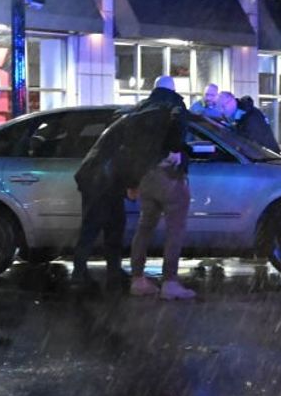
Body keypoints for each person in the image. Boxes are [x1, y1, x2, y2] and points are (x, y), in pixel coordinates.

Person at [128, 75, 196, 301]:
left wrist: (132, 181)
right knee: (175, 229)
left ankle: (138, 279)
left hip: (145, 175)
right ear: (173, 89)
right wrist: (176, 150)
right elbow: (178, 128)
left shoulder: (141, 108)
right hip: (167, 173)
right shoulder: (175, 104)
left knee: (144, 227)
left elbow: (131, 144)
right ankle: (170, 282)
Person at [69, 109, 130, 292]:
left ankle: (83, 272)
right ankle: (88, 274)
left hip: (96, 182)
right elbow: (124, 163)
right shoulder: (124, 135)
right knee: (108, 228)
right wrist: (131, 184)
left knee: (94, 229)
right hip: (102, 184)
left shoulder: (111, 133)